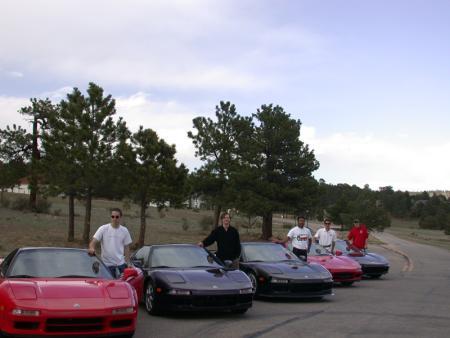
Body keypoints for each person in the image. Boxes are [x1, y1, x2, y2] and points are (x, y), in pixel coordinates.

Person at [88, 208, 132, 278]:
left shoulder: (124, 230)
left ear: (120, 218)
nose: (114, 219)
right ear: (111, 217)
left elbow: (127, 248)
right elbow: (93, 242)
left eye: (117, 217)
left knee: (121, 287)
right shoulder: (103, 229)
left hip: (121, 265)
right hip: (106, 266)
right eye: (112, 216)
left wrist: (128, 263)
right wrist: (91, 248)